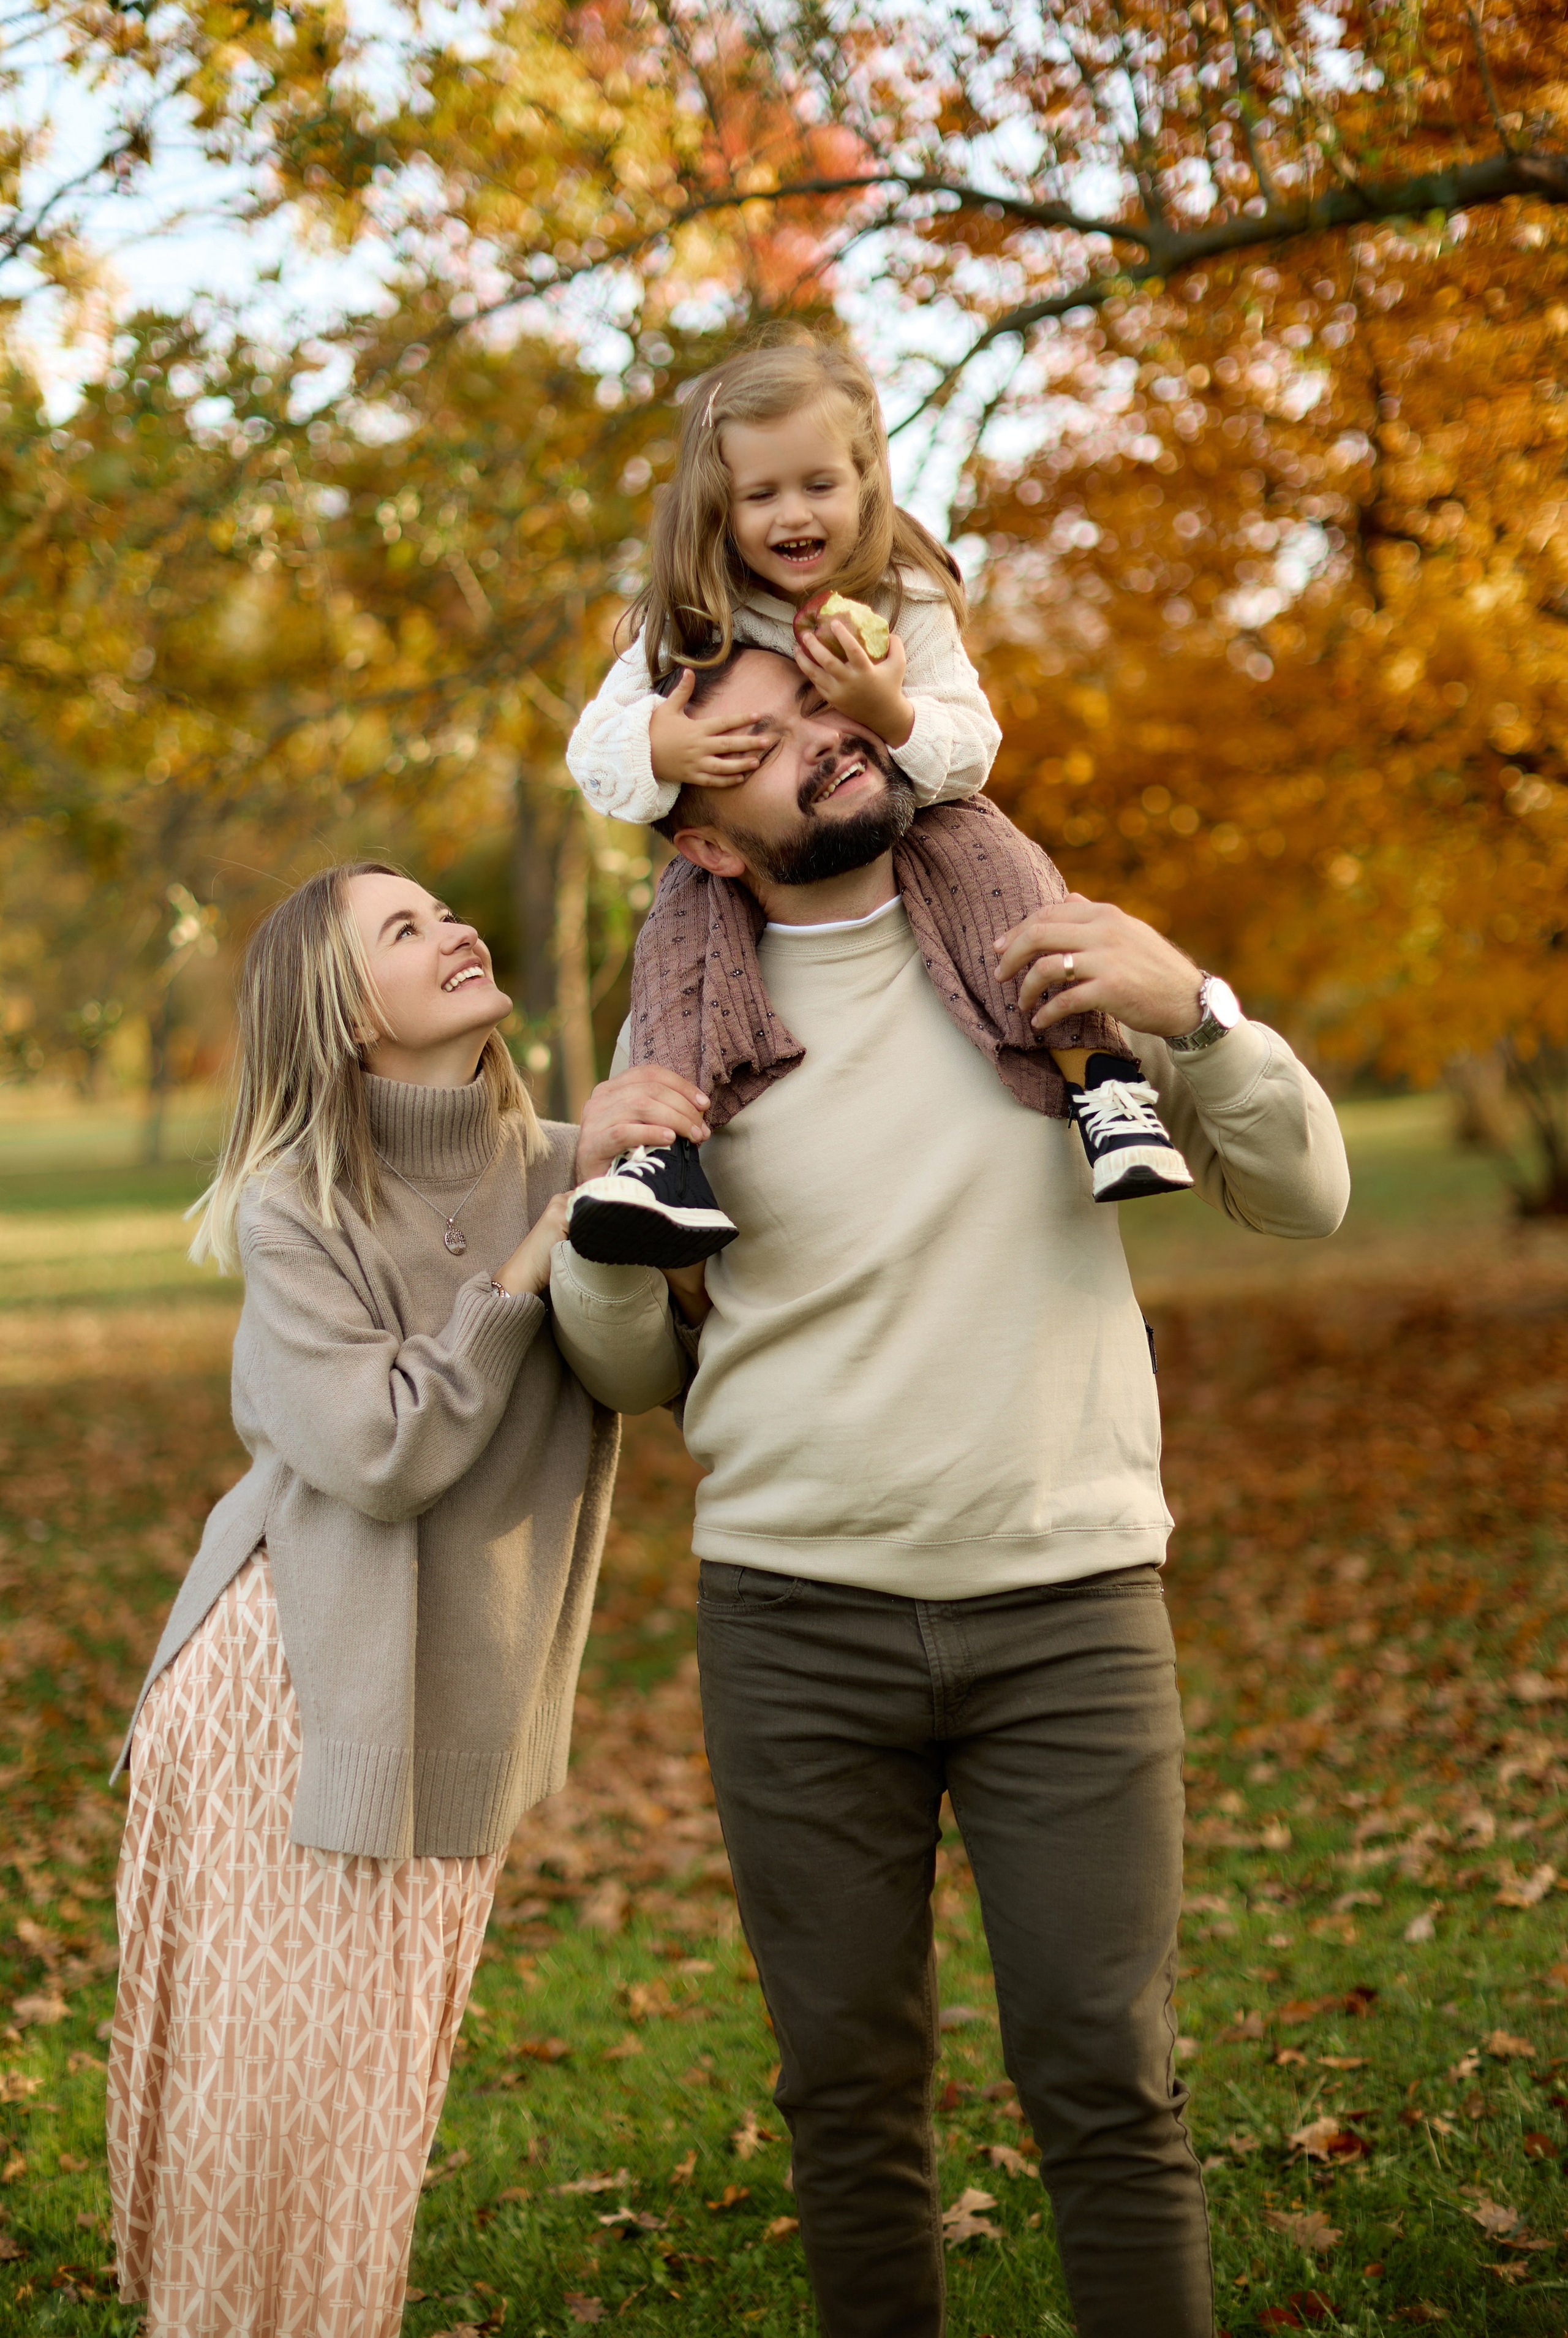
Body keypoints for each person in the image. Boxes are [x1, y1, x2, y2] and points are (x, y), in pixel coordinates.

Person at [545, 646, 1352, 2338]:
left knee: (1109, 2084)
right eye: (762, 744)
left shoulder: (1036, 947)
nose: (828, 747)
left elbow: (1306, 1200)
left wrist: (1192, 1005)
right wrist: (599, 1205)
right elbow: (631, 1371)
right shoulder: (680, 1021)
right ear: (698, 830)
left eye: (838, 707)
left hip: (1067, 1605)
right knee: (848, 2106)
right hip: (795, 1621)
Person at [105, 860, 685, 2338]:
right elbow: (376, 1450)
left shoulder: (567, 1153)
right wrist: (515, 1275)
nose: (456, 930)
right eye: (406, 929)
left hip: (451, 1691)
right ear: (347, 1020)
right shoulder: (298, 1206)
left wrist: (593, 1187)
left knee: (366, 2106)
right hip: (295, 1686)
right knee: (278, 2112)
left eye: (447, 909)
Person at [564, 328, 1191, 1263]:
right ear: (720, 508)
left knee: (1005, 874)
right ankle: (662, 1160)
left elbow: (972, 745)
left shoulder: (904, 598)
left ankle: (1099, 1081)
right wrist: (663, 737)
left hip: (919, 815)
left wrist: (890, 713)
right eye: (760, 495)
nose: (793, 515)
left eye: (819, 484)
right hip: (749, 852)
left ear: (866, 482)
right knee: (678, 951)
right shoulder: (689, 617)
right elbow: (590, 748)